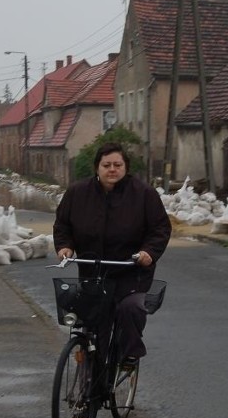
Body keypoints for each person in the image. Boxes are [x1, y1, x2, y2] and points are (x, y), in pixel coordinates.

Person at [53, 141, 172, 367]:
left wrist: (149, 252)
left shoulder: (144, 194)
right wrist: (64, 246)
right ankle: (90, 385)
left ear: (126, 167)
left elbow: (160, 228)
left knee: (131, 308)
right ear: (97, 167)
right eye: (106, 164)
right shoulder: (78, 193)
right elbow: (62, 225)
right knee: (92, 327)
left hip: (131, 274)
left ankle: (130, 353)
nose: (112, 169)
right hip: (93, 273)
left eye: (117, 164)